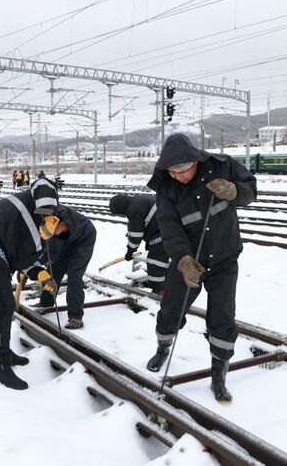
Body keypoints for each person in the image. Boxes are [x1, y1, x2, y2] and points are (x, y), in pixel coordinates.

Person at [145, 133, 256, 403]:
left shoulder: (222, 166)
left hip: (225, 258)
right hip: (190, 261)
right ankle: (163, 347)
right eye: (172, 171)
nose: (178, 176)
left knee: (222, 316)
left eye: (183, 169)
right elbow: (170, 229)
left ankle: (219, 372)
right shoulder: (166, 189)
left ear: (195, 160)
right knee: (171, 308)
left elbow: (250, 190)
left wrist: (235, 192)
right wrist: (183, 261)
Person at [0, 178, 61, 390]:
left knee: (4, 305)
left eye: (48, 211)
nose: (44, 214)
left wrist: (40, 274)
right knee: (3, 306)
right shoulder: (25, 212)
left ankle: (3, 353)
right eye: (42, 210)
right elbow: (28, 249)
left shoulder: (27, 204)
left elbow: (19, 254)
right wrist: (43, 245)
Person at [38, 205, 96, 329]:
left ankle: (76, 318)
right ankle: (45, 303)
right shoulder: (45, 217)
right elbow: (45, 248)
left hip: (84, 239)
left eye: (54, 232)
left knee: (74, 276)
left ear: (60, 223)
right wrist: (31, 265)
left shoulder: (60, 221)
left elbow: (52, 251)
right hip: (67, 240)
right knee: (54, 270)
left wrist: (36, 265)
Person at [108, 194, 168, 295]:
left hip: (165, 232)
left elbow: (135, 235)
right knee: (162, 263)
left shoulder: (133, 209)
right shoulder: (138, 200)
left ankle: (159, 293)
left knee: (155, 263)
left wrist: (130, 252)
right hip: (170, 229)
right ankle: (167, 288)